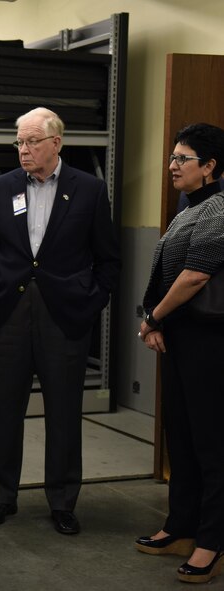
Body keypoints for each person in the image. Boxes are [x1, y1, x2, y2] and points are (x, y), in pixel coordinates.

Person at [0, 107, 120, 535]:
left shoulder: (89, 189)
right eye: (19, 141)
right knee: (3, 410)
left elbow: (108, 258)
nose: (23, 149)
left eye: (32, 141)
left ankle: (63, 501)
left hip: (64, 316)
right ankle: (2, 496)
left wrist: (91, 302)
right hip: (7, 315)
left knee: (65, 412)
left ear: (56, 143)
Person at [136, 122, 224, 584]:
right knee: (182, 437)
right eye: (171, 158)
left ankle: (212, 540)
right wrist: (156, 319)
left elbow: (195, 275)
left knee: (211, 442)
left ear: (209, 167)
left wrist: (152, 318)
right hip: (182, 336)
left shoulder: (218, 208)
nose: (172, 166)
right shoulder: (190, 205)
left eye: (181, 159)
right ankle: (182, 525)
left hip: (209, 341)